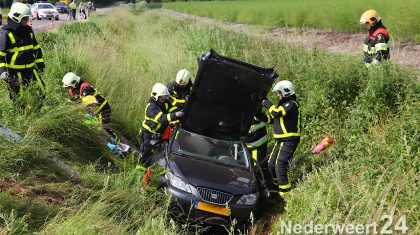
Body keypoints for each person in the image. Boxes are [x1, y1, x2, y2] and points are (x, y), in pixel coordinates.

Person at [0, 3, 45, 106]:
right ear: (17, 18)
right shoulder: (6, 34)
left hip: (31, 71)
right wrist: (2, 72)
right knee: (19, 100)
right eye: (25, 18)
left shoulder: (28, 30)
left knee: (41, 93)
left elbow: (36, 49)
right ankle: (22, 119)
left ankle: (37, 114)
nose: (27, 20)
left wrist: (41, 65)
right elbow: (0, 57)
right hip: (15, 74)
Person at [262, 80, 301, 199]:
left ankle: (286, 195)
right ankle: (277, 190)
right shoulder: (282, 104)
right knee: (271, 165)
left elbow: (277, 113)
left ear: (286, 92)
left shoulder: (292, 104)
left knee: (280, 165)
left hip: (289, 140)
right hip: (281, 140)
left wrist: (265, 102)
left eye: (279, 93)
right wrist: (260, 115)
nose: (278, 95)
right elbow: (272, 119)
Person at [139, 83, 185, 167]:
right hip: (148, 134)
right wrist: (175, 115)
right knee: (145, 155)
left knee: (158, 154)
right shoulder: (151, 107)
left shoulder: (166, 102)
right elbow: (161, 118)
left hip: (158, 134)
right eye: (162, 96)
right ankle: (139, 172)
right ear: (156, 96)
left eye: (165, 96)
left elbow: (173, 110)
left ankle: (151, 171)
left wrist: (181, 114)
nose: (164, 98)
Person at [243, 108, 276, 193]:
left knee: (259, 168)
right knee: (250, 169)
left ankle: (268, 190)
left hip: (257, 144)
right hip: (247, 145)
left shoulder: (254, 109)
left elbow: (266, 119)